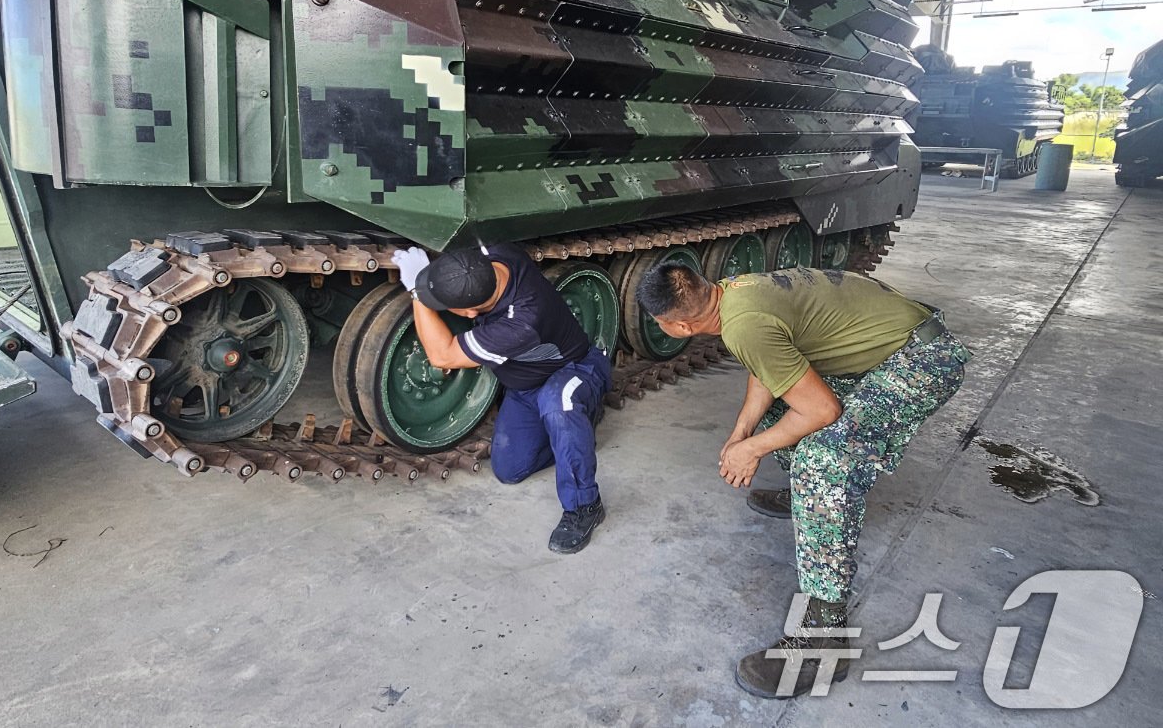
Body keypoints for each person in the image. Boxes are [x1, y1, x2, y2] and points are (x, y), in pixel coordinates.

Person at [634, 263, 971, 698]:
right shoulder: (738, 292)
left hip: (922, 361)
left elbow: (822, 411)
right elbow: (769, 367)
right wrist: (742, 432)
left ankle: (824, 641)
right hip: (901, 342)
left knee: (823, 458)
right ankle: (811, 500)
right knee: (781, 408)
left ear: (678, 325)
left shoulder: (742, 326)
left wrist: (751, 449)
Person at [391, 244, 612, 554]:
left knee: (558, 403)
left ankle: (585, 507)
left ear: (470, 312)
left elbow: (442, 356)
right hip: (526, 387)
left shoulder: (521, 322)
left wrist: (418, 292)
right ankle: (578, 432)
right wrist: (439, 277)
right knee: (510, 469)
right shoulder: (496, 258)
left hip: (573, 370)